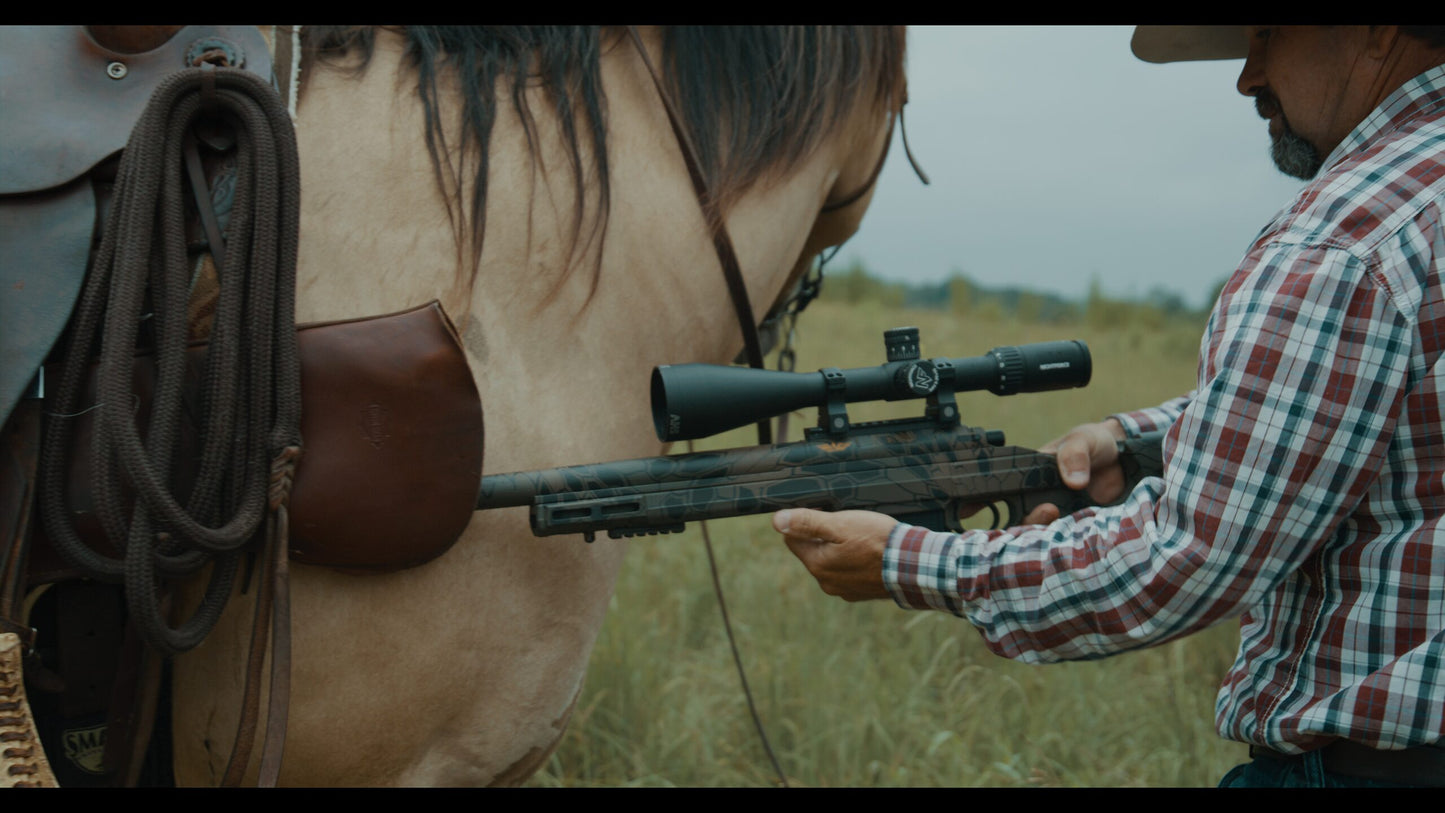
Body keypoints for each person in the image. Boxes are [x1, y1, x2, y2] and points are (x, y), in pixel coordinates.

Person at [773, 25, 1445, 788]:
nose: (1246, 75)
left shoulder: (1344, 241)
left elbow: (1186, 559)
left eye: (1265, 35)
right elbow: (1362, 402)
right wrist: (1133, 441)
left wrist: (906, 562)